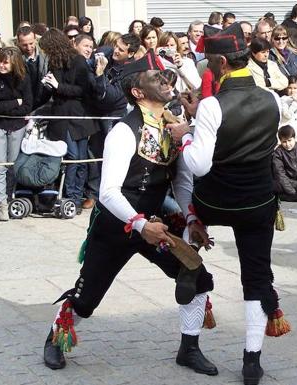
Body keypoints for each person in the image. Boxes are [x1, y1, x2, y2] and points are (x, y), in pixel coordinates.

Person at [42, 50, 217, 375]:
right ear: (137, 91)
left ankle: (189, 349)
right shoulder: (124, 131)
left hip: (156, 227)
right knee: (87, 300)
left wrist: (190, 218)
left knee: (198, 277)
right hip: (116, 226)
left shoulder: (171, 127)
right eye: (157, 77)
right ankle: (54, 339)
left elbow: (179, 178)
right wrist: (138, 224)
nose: (167, 81)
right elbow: (107, 192)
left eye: (166, 75)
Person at [172, 22, 291, 385]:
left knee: (191, 259)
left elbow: (199, 163)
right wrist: (200, 120)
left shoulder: (211, 105)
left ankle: (189, 342)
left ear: (222, 62)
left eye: (209, 61)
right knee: (255, 278)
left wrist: (187, 134)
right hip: (258, 200)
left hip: (214, 201)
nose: (206, 67)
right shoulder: (273, 98)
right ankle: (252, 360)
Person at [39, 29, 99, 214]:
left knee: (77, 158)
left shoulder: (78, 60)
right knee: (74, 157)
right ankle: (71, 196)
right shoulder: (55, 63)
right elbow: (51, 91)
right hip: (63, 115)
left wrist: (59, 86)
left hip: (76, 117)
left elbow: (82, 90)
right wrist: (47, 85)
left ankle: (73, 196)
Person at [0, 47, 33, 221]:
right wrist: (15, 103)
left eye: (6, 62)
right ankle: (1, 204)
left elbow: (27, 106)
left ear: (15, 64)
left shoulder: (24, 79)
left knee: (12, 165)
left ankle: (10, 197)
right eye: (0, 61)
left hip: (17, 127)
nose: (1, 65)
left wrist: (8, 107)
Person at [16, 26, 49, 108]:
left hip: (43, 101)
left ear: (35, 40)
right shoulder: (15, 58)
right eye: (24, 45)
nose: (28, 48)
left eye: (31, 43)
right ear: (18, 42)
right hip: (23, 103)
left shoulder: (46, 56)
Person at [279, 76, 297, 141]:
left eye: (295, 88)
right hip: (287, 136)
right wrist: (294, 102)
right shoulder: (283, 99)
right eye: (290, 88)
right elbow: (287, 115)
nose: (292, 91)